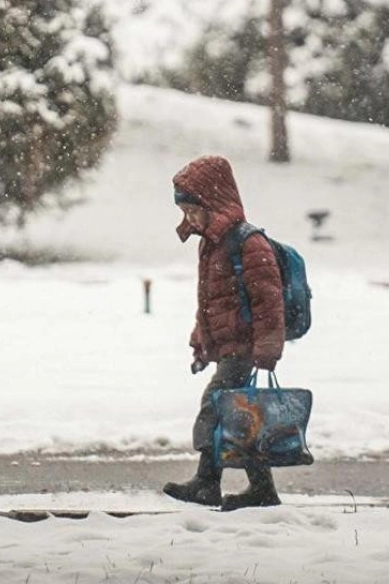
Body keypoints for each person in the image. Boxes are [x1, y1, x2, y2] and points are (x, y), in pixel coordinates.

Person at [163, 155, 286, 512]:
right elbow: (211, 301)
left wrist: (267, 347)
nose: (189, 219)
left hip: (246, 347)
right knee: (238, 416)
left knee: (217, 406)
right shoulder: (212, 244)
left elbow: (269, 300)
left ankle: (207, 481)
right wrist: (201, 341)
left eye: (192, 211)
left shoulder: (249, 244)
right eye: (184, 213)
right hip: (230, 345)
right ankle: (260, 488)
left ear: (213, 204)